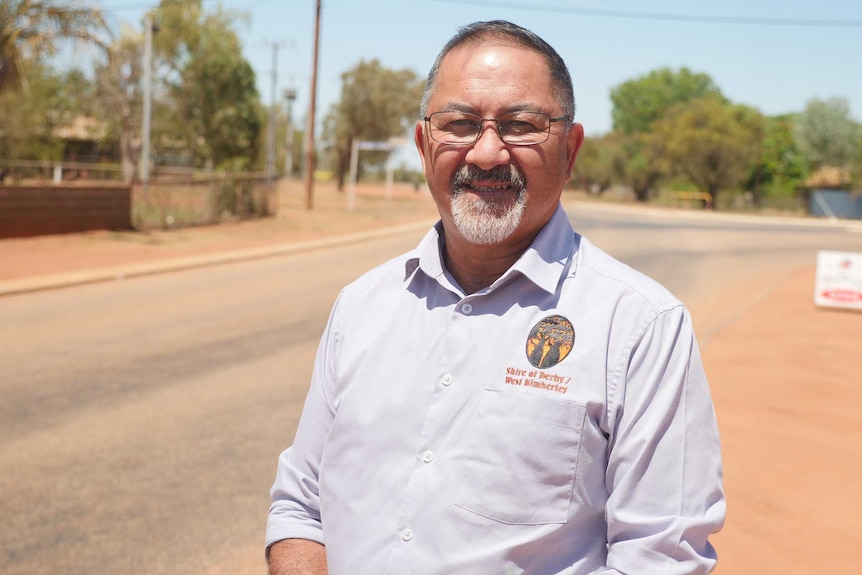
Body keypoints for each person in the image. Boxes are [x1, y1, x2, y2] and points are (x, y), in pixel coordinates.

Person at [267, 20, 724, 575]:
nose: (486, 153)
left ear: (570, 149)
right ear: (422, 143)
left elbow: (660, 560)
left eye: (521, 125)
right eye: (459, 124)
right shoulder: (362, 305)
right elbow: (300, 508)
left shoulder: (641, 327)